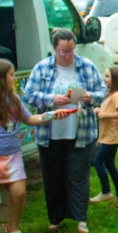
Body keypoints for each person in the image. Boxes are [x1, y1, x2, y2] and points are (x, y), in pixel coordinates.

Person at [24, 28, 106, 233]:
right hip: (49, 134)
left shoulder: (86, 66)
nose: (68, 55)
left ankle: (81, 220)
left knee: (78, 176)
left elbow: (102, 91)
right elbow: (29, 94)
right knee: (53, 177)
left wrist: (90, 97)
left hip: (82, 132)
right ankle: (55, 218)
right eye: (63, 51)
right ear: (54, 49)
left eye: (71, 50)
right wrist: (50, 99)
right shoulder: (42, 68)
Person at [0, 59, 71, 233]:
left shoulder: (14, 99)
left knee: (19, 194)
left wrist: (51, 115)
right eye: (11, 75)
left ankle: (13, 228)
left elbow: (30, 119)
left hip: (13, 155)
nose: (15, 78)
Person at [90, 66, 118, 207]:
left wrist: (104, 115)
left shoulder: (117, 95)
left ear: (116, 80)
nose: (104, 79)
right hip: (106, 135)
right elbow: (106, 109)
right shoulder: (107, 94)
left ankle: (106, 192)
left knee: (97, 161)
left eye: (107, 77)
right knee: (109, 164)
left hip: (112, 137)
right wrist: (98, 110)